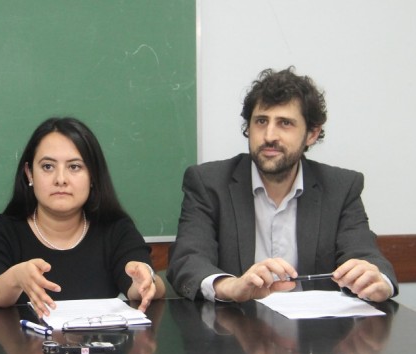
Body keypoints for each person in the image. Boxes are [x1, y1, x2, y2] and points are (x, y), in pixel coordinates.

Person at [167, 67, 398, 303]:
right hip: (234, 331)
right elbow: (187, 260)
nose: (269, 136)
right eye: (261, 121)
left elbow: (365, 255)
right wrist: (231, 286)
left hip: (316, 335)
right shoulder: (209, 183)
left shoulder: (340, 188)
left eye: (285, 123)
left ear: (311, 134)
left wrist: (377, 280)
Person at [0, 117, 166, 317]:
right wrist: (15, 278)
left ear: (93, 176)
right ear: (29, 174)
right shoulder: (1, 231)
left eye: (74, 167)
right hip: (21, 345)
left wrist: (146, 282)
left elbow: (144, 286)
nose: (60, 179)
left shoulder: (115, 229)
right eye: (47, 167)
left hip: (98, 346)